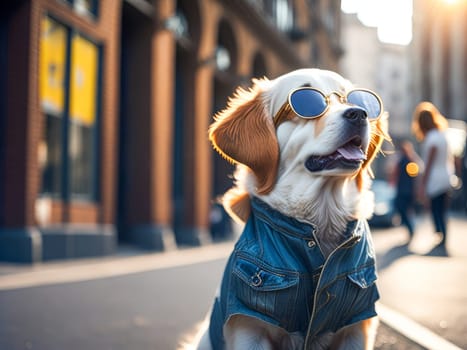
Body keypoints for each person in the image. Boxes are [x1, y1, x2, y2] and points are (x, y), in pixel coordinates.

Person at [412, 102, 454, 246]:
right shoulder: (442, 135)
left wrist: (422, 185)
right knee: (442, 210)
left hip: (435, 179)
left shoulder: (431, 138)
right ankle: (443, 237)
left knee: (435, 210)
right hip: (446, 176)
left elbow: (428, 164)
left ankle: (441, 236)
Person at [390, 140, 422, 241]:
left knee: (402, 209)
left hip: (405, 190)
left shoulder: (407, 161)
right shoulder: (408, 160)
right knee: (406, 210)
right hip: (406, 190)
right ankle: (410, 228)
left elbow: (413, 175)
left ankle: (411, 228)